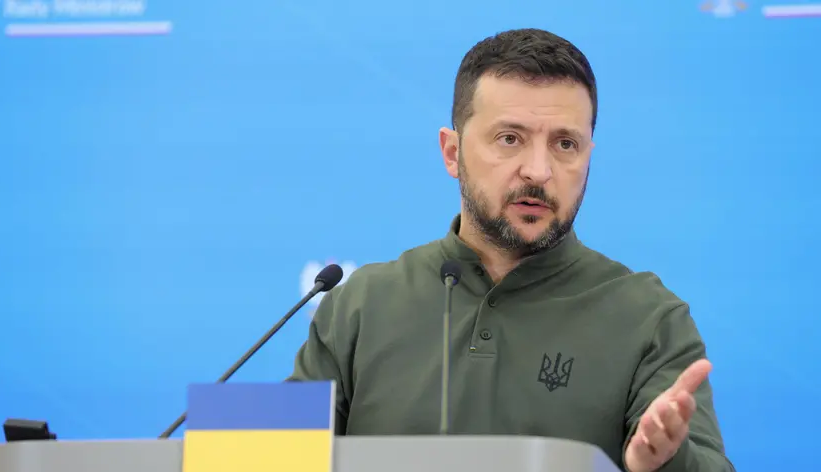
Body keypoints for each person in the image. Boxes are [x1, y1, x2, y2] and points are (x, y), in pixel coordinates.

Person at [288, 28, 734, 472]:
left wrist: (662, 463)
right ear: (452, 152)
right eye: (510, 139)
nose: (539, 171)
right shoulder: (361, 305)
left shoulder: (649, 317)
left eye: (565, 144)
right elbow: (284, 458)